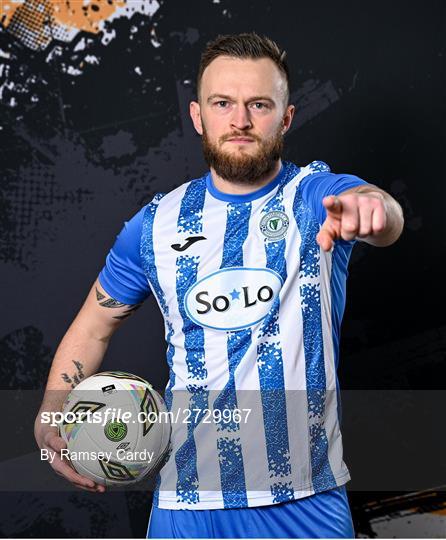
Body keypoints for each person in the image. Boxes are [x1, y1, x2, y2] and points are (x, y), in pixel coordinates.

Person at [35, 32, 404, 538]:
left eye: (259, 104)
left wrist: (373, 209)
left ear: (287, 116)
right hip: (188, 505)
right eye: (223, 103)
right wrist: (52, 410)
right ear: (197, 115)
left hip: (306, 503)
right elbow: (95, 324)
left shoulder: (314, 196)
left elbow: (379, 209)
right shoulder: (155, 224)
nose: (240, 121)